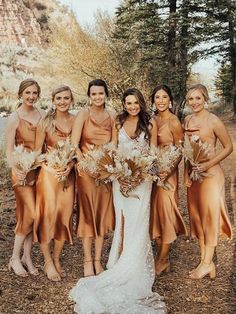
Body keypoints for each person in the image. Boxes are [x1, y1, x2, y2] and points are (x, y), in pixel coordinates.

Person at [69, 88, 166, 314]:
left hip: (142, 181)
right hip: (119, 180)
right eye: (128, 103)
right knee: (122, 221)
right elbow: (113, 149)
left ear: (141, 103)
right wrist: (117, 175)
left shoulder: (150, 124)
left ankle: (134, 267)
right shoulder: (119, 121)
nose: (132, 106)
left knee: (138, 223)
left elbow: (152, 154)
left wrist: (141, 175)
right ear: (124, 104)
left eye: (135, 102)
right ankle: (119, 261)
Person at [184, 84, 233, 279]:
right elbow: (187, 150)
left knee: (210, 218)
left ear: (205, 98)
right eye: (191, 99)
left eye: (198, 98)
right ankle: (206, 262)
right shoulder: (187, 120)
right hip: (195, 176)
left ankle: (206, 263)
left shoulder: (213, 120)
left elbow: (228, 147)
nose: (194, 102)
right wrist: (187, 174)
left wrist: (207, 165)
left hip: (211, 175)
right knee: (198, 218)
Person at [71, 79, 115, 277]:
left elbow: (114, 144)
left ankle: (98, 260)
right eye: (94, 94)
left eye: (101, 93)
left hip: (104, 173)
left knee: (101, 215)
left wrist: (106, 167)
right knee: (88, 216)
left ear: (106, 95)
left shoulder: (113, 116)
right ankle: (87, 261)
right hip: (86, 173)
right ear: (89, 96)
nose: (98, 97)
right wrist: (86, 165)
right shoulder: (82, 115)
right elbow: (75, 144)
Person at [33, 85, 76, 281]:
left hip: (68, 176)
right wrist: (50, 168)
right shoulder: (45, 122)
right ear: (53, 100)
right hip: (49, 177)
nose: (62, 101)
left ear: (71, 100)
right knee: (47, 217)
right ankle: (47, 261)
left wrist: (71, 165)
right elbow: (36, 153)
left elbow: (79, 150)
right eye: (58, 98)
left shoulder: (76, 121)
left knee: (64, 217)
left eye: (66, 98)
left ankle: (57, 258)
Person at [5, 79, 44, 277]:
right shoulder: (15, 117)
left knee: (33, 215)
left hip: (38, 170)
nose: (31, 96)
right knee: (29, 214)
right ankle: (14, 258)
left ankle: (27, 257)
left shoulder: (43, 115)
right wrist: (17, 168)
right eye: (27, 92)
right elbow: (9, 150)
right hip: (21, 171)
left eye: (34, 93)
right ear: (21, 94)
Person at [150, 85, 187, 275]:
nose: (161, 100)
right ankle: (161, 257)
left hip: (168, 174)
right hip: (152, 172)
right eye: (157, 97)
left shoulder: (174, 122)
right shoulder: (151, 119)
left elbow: (180, 151)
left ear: (170, 100)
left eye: (164, 97)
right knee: (154, 215)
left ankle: (163, 259)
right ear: (153, 100)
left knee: (166, 214)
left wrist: (169, 169)